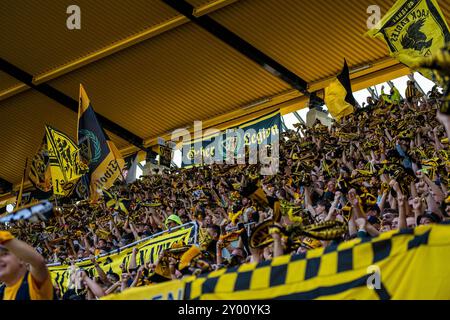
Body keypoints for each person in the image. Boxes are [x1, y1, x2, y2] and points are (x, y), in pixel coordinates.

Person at [0, 230, 54, 300]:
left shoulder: (33, 283)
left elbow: (38, 262)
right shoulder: (3, 293)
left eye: (4, 254)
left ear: (22, 259)